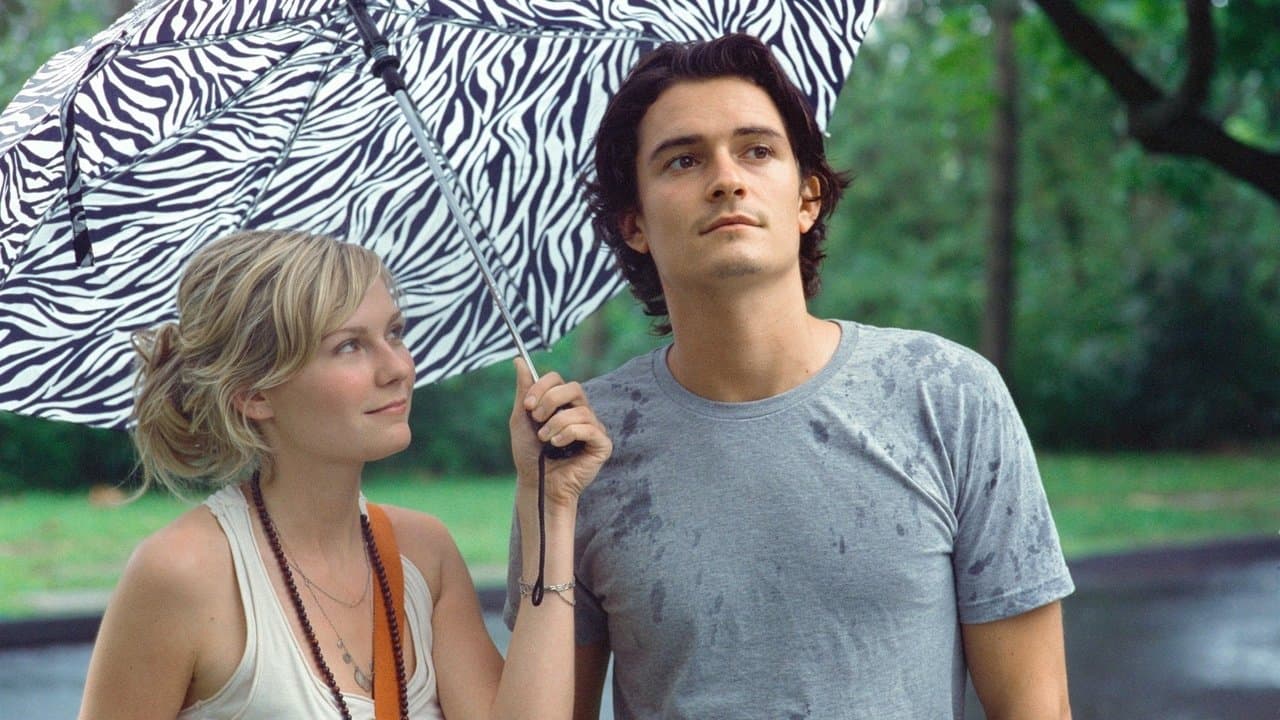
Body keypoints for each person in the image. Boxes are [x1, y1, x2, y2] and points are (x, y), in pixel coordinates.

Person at [504, 34, 1075, 719]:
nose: (726, 179)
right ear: (635, 224)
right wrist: (546, 507)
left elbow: (1036, 706)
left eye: (756, 150)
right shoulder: (580, 450)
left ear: (807, 198)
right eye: (683, 159)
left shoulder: (947, 394)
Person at [79, 229, 612, 720]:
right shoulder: (183, 572)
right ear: (254, 394)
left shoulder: (423, 554)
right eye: (349, 346)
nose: (398, 368)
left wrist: (549, 505)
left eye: (394, 333)